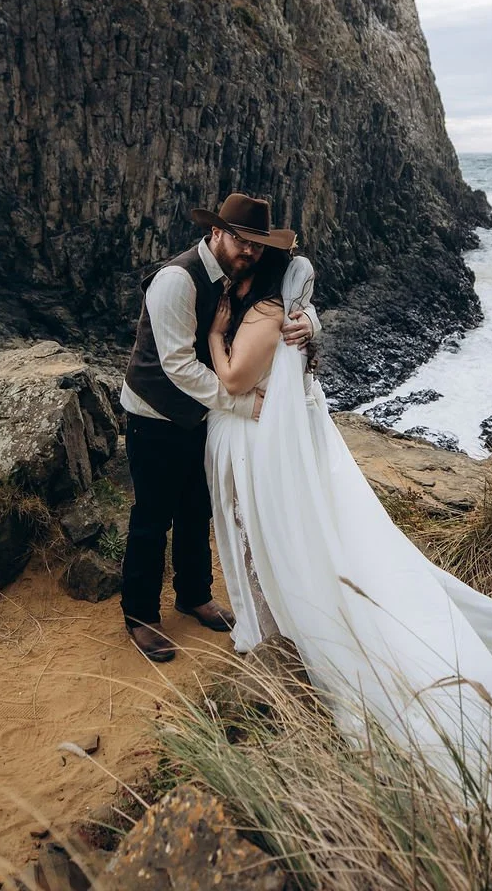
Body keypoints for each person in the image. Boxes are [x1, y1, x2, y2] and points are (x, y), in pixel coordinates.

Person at [205, 251, 492, 857]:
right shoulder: (283, 307)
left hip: (262, 443)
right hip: (279, 445)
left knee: (281, 545)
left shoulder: (264, 312)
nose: (240, 259)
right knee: (298, 543)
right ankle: (281, 622)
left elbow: (235, 380)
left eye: (251, 250)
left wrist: (222, 336)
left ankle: (289, 631)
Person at [119, 193, 320, 662]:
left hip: (204, 417)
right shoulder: (176, 280)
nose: (249, 250)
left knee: (196, 510)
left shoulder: (243, 277)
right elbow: (176, 366)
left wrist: (310, 322)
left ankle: (193, 595)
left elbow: (291, 301)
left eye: (256, 243)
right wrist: (244, 401)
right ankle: (140, 616)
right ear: (215, 232)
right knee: (152, 517)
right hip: (155, 415)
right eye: (240, 239)